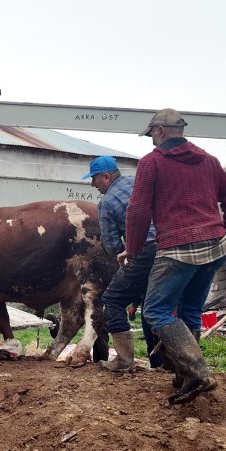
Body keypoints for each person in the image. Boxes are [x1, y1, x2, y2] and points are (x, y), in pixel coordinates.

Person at [122, 108, 226, 405]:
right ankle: (184, 372)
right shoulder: (209, 161)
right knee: (190, 309)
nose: (150, 140)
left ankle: (198, 372)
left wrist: (133, 249)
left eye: (151, 134)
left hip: (179, 248)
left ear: (160, 131)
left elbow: (138, 210)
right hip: (215, 246)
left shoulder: (151, 164)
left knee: (154, 311)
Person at [83, 156, 158, 372]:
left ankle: (124, 360)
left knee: (112, 301)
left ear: (106, 176)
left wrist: (122, 261)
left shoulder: (106, 203)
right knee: (152, 305)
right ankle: (160, 364)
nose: (92, 184)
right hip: (168, 248)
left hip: (142, 251)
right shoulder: (138, 183)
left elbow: (111, 244)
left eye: (94, 179)